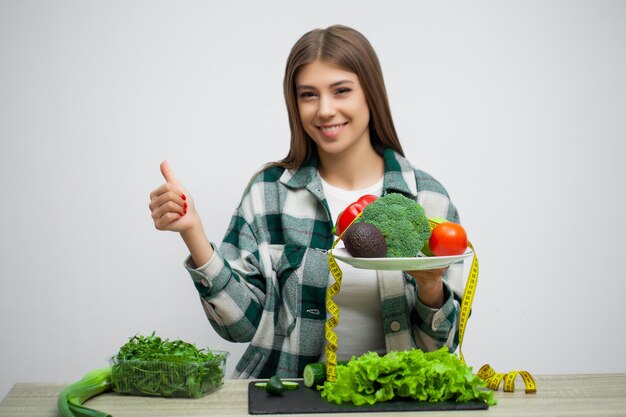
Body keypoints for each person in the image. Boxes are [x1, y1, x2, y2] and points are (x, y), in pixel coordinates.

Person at [149, 24, 464, 379]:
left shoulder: (427, 198)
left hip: (393, 401)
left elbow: (442, 349)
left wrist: (429, 285)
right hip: (290, 398)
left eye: (341, 90)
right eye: (308, 95)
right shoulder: (268, 192)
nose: (325, 110)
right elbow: (241, 327)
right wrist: (192, 231)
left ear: (370, 94)